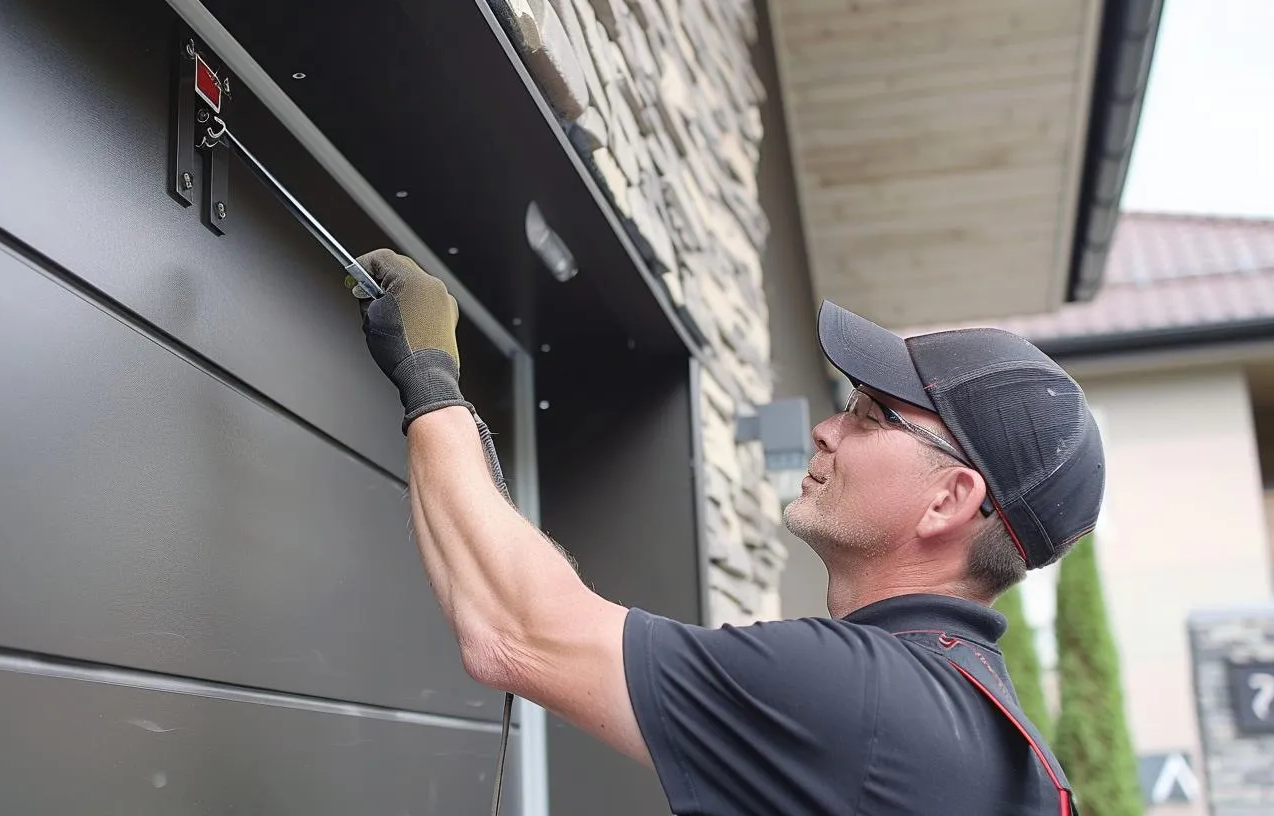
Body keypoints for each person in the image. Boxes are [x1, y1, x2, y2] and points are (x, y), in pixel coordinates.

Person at [349, 248, 1105, 815]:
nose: (824, 429)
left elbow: (514, 631)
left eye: (871, 416)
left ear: (949, 500)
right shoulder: (1003, 745)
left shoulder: (863, 696)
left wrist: (429, 376)